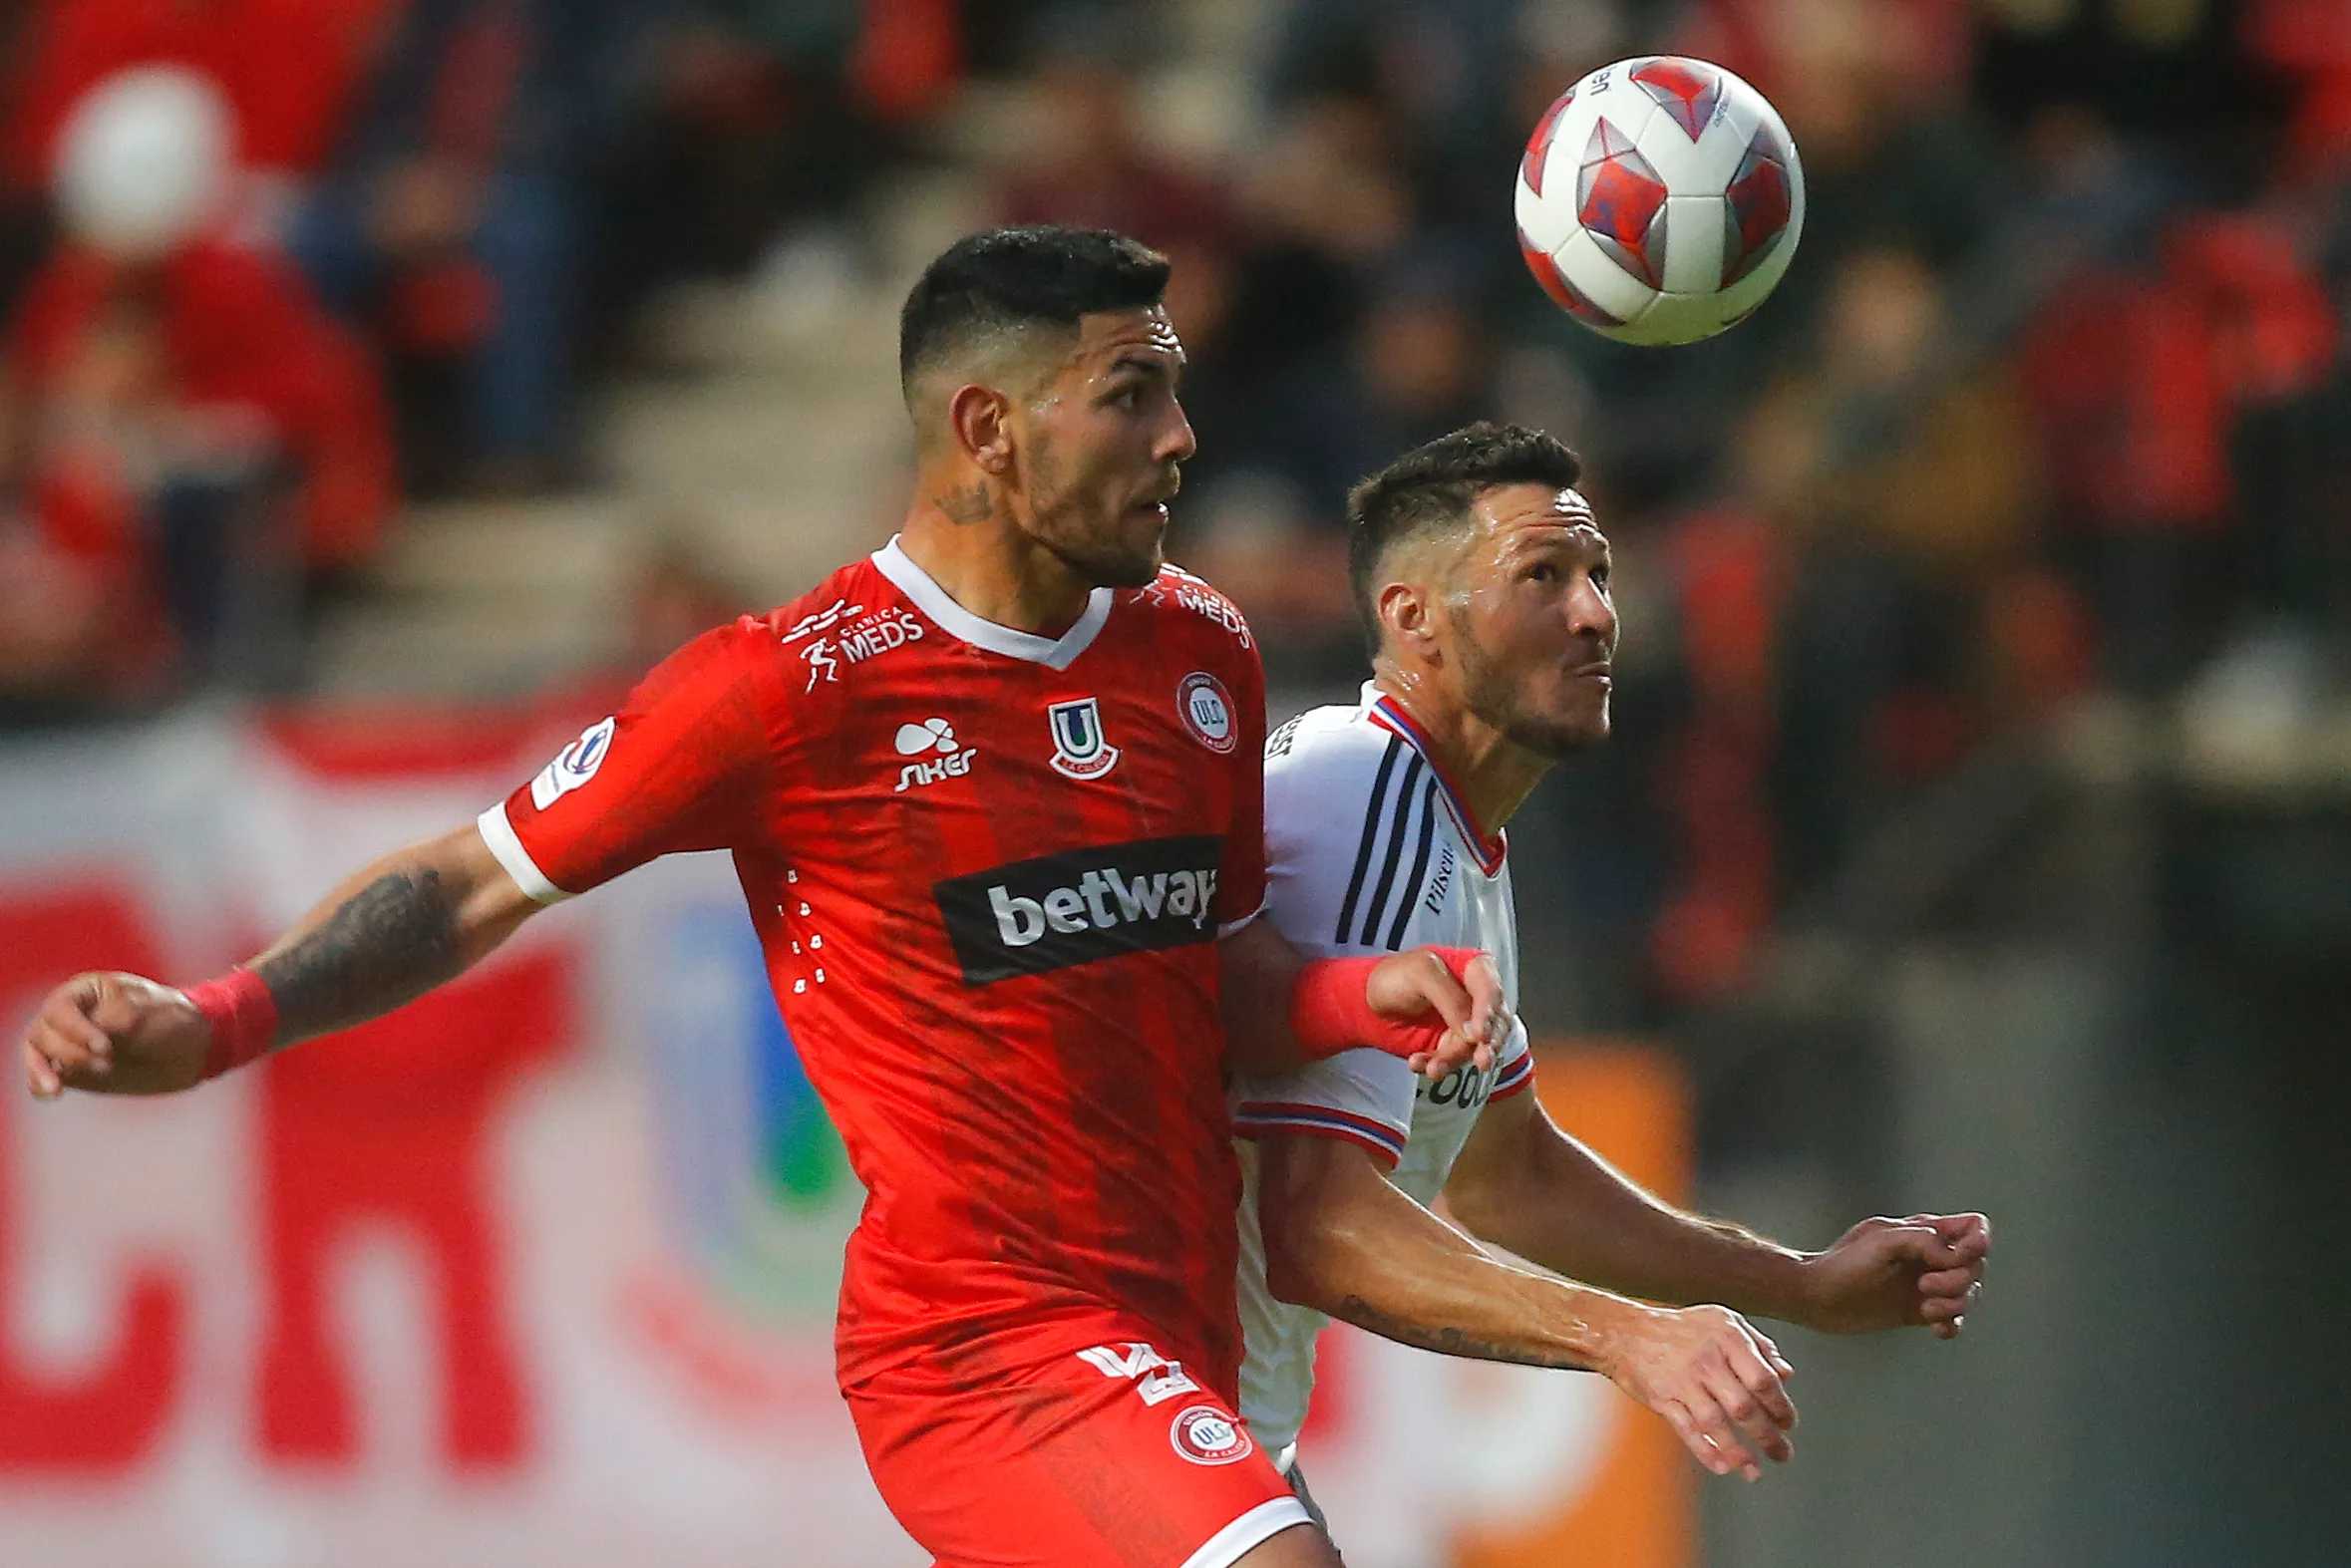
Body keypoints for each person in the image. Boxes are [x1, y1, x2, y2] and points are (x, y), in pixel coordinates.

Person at [16, 226, 1502, 1568]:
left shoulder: (1197, 654)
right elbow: (471, 882)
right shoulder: (792, 688)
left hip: (1176, 1334)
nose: (1180, 438)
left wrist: (1338, 994)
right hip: (980, 1348)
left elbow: (1204, 970)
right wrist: (210, 1020)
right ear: (985, 428)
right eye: (1129, 397)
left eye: (1173, 391)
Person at [1227, 423, 1994, 1539]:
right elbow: (1317, 1227)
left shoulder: (1453, 840)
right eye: (1543, 575)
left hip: (1224, 1428)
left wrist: (1801, 1283)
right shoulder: (1366, 791)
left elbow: (1512, 1177)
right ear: (1413, 619)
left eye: (1599, 575)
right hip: (1138, 1400)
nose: (1595, 615)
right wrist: (1627, 1336)